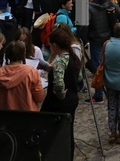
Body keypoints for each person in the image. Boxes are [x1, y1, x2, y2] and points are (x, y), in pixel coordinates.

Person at [41, 27, 81, 158]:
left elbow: (59, 83)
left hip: (59, 103)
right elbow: (79, 78)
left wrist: (60, 94)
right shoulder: (74, 58)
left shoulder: (59, 61)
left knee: (54, 131)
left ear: (54, 45)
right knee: (68, 131)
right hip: (73, 98)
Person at [0, 40, 43, 111]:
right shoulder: (32, 72)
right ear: (23, 55)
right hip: (27, 117)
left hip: (2, 117)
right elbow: (39, 98)